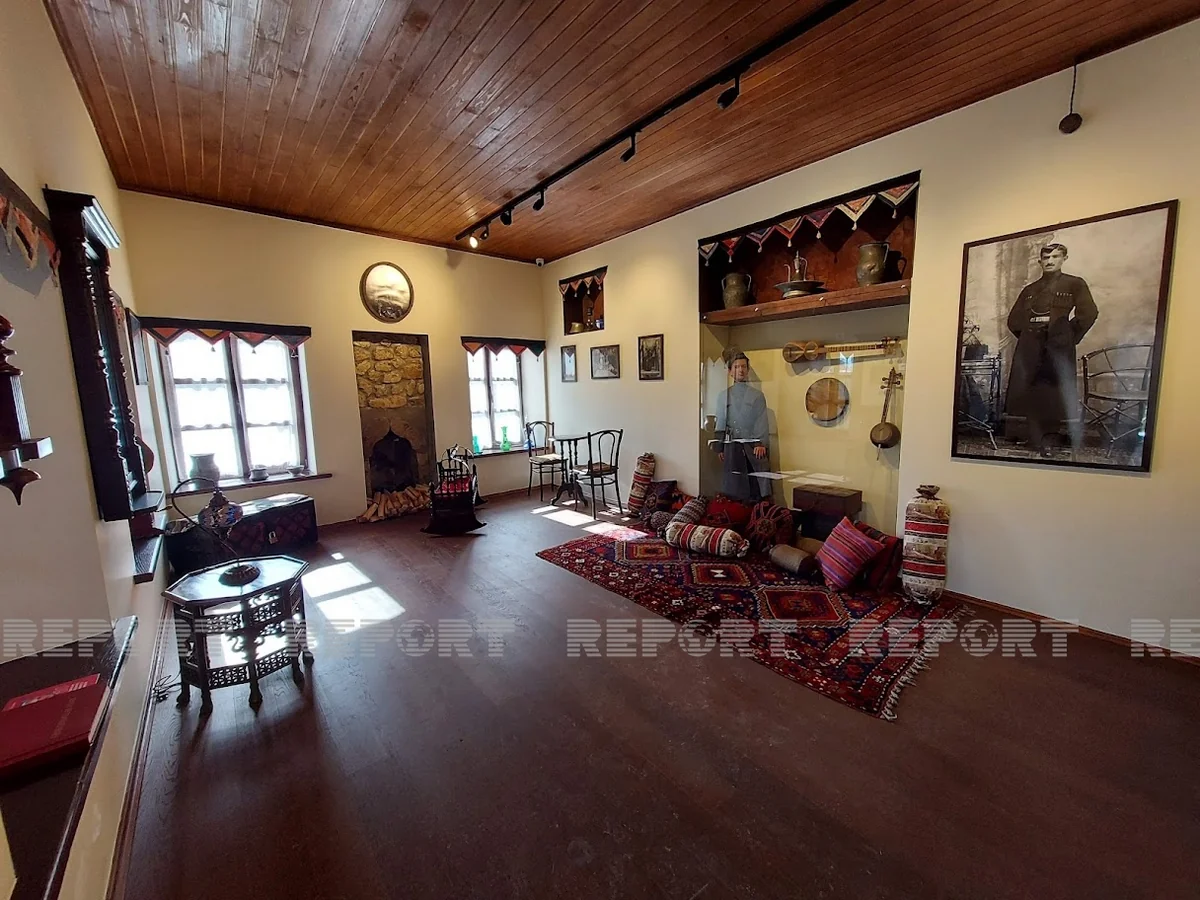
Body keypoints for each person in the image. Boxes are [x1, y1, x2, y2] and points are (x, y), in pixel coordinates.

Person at [1004, 243, 1098, 456]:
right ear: (1040, 261)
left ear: (1064, 259)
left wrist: (1066, 336)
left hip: (1057, 347)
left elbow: (1089, 313)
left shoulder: (1074, 284)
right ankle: (1034, 437)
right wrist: (1029, 338)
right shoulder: (1030, 290)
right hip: (1031, 348)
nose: (1050, 261)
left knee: (1053, 392)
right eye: (1046, 258)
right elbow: (1014, 321)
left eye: (1055, 257)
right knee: (1031, 391)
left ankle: (1050, 439)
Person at [713, 352, 771, 502]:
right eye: (737, 367)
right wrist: (720, 447)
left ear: (748, 369)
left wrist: (760, 444)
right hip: (732, 446)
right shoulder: (723, 396)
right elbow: (720, 422)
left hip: (751, 445)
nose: (740, 370)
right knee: (733, 485)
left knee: (755, 486)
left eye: (744, 367)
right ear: (730, 371)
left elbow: (761, 420)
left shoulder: (757, 396)